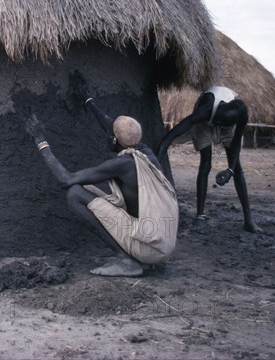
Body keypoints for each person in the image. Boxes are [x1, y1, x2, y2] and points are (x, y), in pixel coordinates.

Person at [25, 99, 178, 277]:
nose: (107, 136)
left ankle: (126, 260)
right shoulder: (146, 152)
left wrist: (40, 140)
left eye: (109, 136)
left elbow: (65, 179)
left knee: (75, 193)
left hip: (150, 247)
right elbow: (111, 126)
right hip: (163, 241)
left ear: (114, 140)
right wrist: (88, 101)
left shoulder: (123, 164)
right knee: (91, 191)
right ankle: (139, 257)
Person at [156, 86, 262, 233]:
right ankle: (200, 216)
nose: (217, 128)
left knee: (238, 169)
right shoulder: (205, 107)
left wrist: (230, 170)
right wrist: (166, 142)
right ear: (220, 109)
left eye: (221, 125)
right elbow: (187, 123)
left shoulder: (240, 113)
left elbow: (236, 141)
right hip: (205, 122)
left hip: (225, 120)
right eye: (218, 122)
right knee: (206, 164)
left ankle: (249, 220)